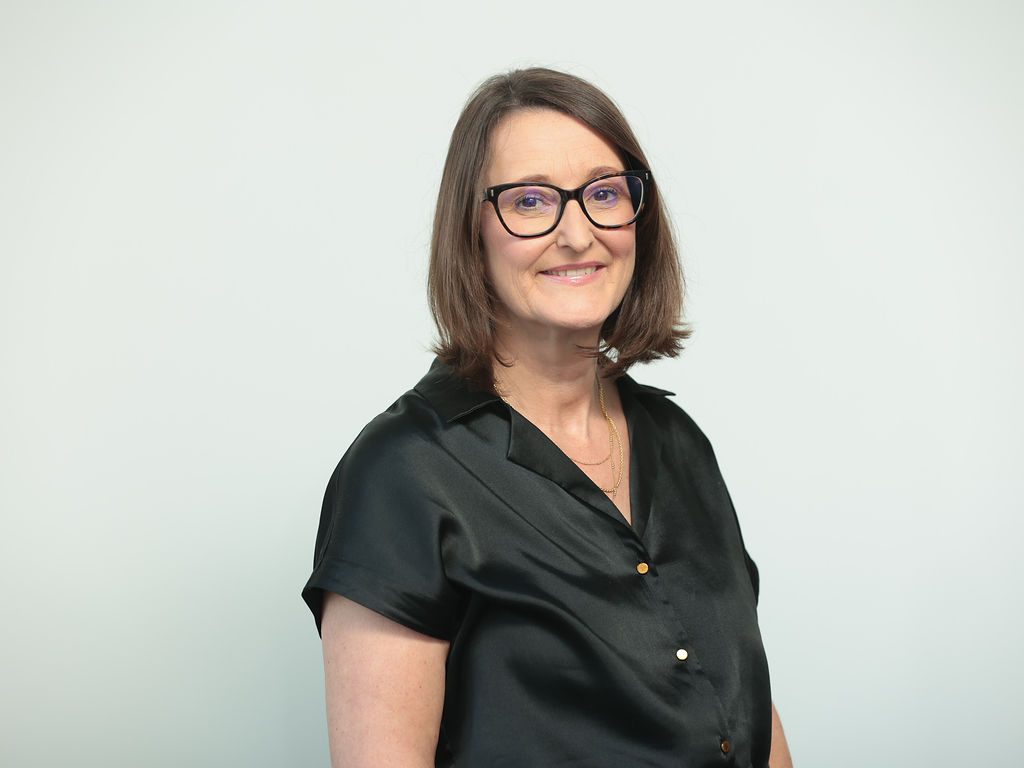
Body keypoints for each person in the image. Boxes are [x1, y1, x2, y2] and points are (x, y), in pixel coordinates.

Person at [301, 66, 794, 768]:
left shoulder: (680, 443)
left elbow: (749, 704)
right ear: (471, 231)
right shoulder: (403, 473)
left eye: (603, 193)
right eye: (530, 200)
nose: (577, 233)